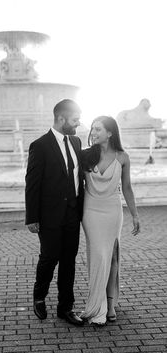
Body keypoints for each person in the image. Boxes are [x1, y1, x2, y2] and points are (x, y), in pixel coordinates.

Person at [25, 99, 84, 326]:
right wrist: (32, 217)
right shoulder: (39, 145)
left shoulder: (77, 142)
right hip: (49, 215)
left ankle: (65, 308)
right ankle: (39, 297)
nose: (78, 123)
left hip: (72, 215)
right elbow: (32, 183)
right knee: (49, 259)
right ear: (61, 118)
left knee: (69, 261)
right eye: (75, 119)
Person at [80, 116, 140, 325]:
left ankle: (111, 304)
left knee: (112, 256)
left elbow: (127, 187)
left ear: (110, 133)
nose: (93, 132)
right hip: (91, 212)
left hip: (113, 212)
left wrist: (135, 214)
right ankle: (97, 307)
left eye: (98, 129)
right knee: (98, 256)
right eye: (93, 129)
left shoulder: (123, 157)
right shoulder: (85, 155)